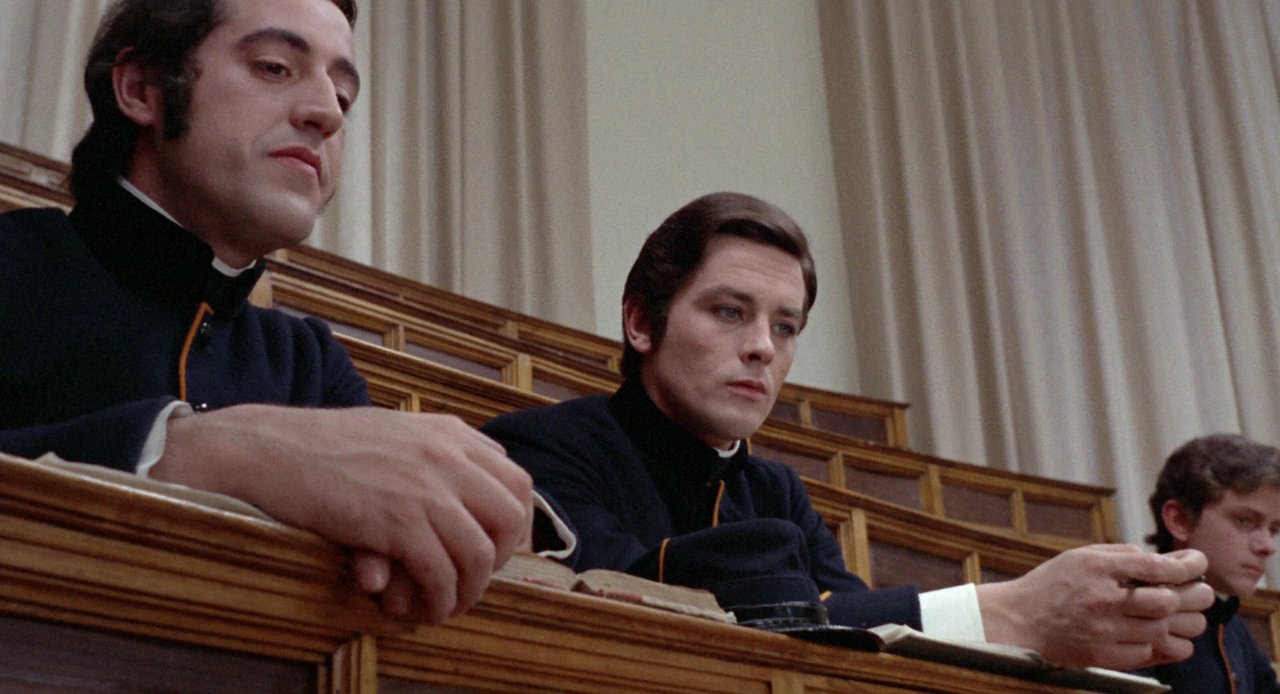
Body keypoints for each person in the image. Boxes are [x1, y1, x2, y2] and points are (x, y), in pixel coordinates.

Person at [483, 191, 1214, 669]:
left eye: (785, 326)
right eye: (730, 312)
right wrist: (1014, 610)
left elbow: (859, 638)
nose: (763, 347)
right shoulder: (539, 447)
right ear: (643, 321)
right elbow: (637, 611)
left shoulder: (775, 488)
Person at [0, 0, 547, 625]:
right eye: (274, 67)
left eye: (343, 96)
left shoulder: (308, 361)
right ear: (143, 89)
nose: (327, 114)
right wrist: (210, 454)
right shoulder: (14, 264)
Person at [1135, 434, 1280, 692]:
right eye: (1245, 520)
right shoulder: (1131, 615)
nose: (1268, 546)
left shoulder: (1232, 625)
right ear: (1180, 520)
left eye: (1274, 530)